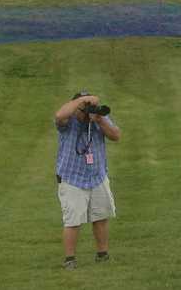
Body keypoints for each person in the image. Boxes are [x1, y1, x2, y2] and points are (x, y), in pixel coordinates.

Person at [54, 90, 121, 269]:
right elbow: (59, 115)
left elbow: (116, 135)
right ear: (76, 107)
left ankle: (102, 254)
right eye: (83, 106)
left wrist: (99, 119)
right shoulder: (67, 122)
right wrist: (82, 101)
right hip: (72, 178)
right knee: (73, 221)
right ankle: (70, 259)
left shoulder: (97, 119)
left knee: (101, 217)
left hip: (97, 176)